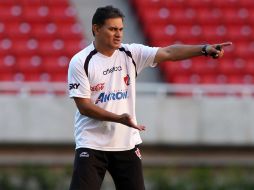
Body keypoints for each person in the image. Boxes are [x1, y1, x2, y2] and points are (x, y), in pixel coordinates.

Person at [67, 5, 232, 190]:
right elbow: (84, 107)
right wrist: (118, 118)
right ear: (96, 29)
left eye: (121, 29)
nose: (118, 34)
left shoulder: (131, 53)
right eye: (112, 29)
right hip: (91, 144)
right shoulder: (81, 61)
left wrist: (204, 49)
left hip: (126, 145)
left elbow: (169, 52)